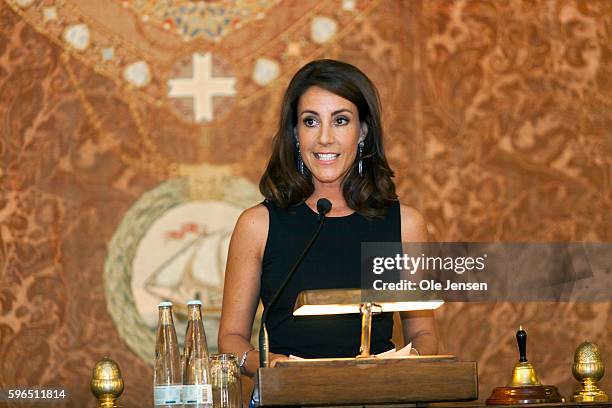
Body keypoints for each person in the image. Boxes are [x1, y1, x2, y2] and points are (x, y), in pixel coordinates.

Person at [218, 59, 438, 377]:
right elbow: (230, 339)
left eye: (340, 121)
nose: (324, 138)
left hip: (381, 395)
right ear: (295, 133)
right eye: (310, 122)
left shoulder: (405, 225)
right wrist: (269, 364)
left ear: (363, 130)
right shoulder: (257, 226)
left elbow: (424, 335)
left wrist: (402, 364)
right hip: (291, 395)